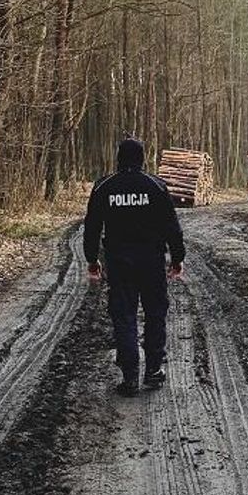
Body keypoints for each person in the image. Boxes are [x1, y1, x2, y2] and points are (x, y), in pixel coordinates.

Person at [83, 137, 185, 397]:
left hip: (119, 264)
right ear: (142, 159)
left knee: (124, 316)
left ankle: (130, 377)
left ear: (119, 158)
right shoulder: (156, 187)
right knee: (155, 313)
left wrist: (92, 259)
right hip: (151, 261)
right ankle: (152, 370)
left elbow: (92, 226)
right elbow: (171, 226)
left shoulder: (104, 187)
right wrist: (177, 258)